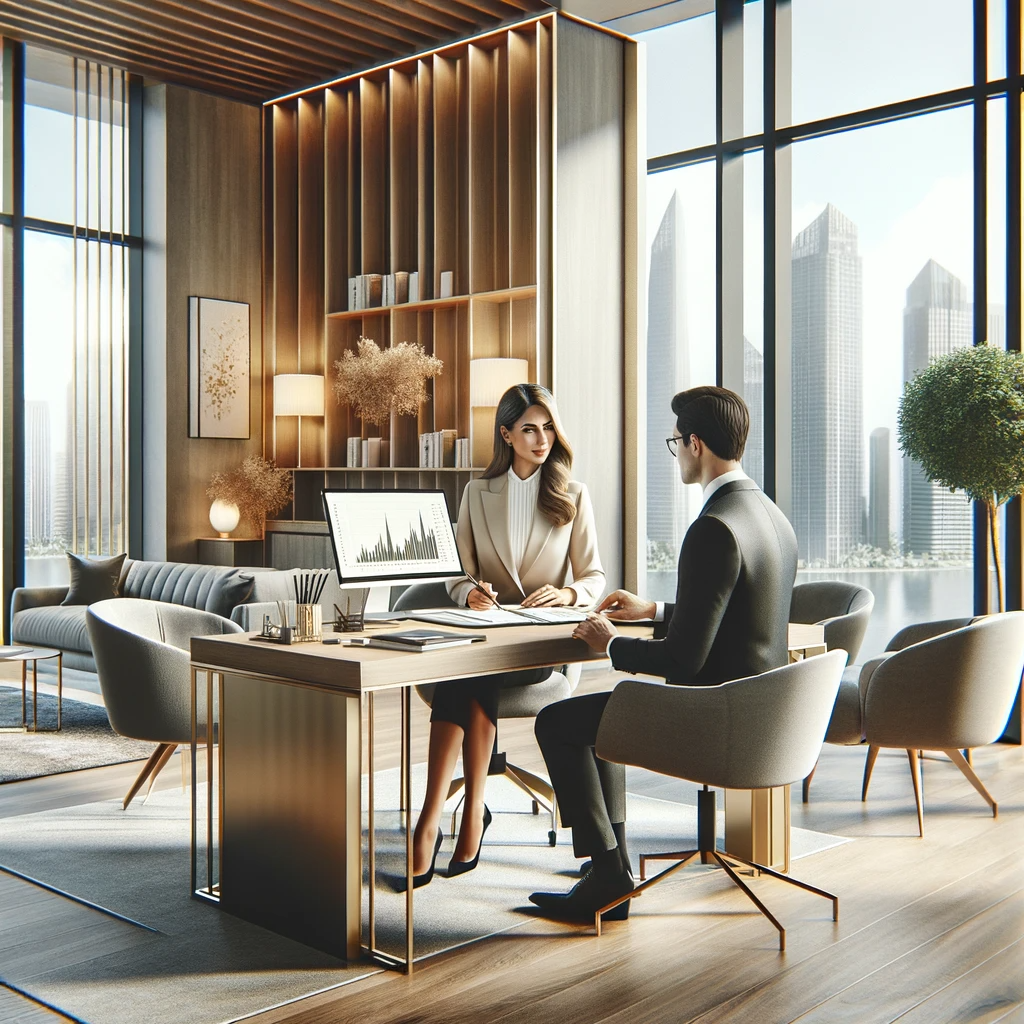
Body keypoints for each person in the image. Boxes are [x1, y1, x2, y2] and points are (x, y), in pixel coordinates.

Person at [528, 385, 798, 921]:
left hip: (715, 720)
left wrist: (611, 644)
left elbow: (683, 662)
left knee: (557, 721)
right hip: (764, 717)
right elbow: (735, 615)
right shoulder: (771, 517)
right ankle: (613, 868)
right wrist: (653, 611)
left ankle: (607, 877)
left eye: (676, 442)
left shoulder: (712, 528)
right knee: (613, 709)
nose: (676, 452)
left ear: (696, 444)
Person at [410, 383, 606, 886]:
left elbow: (594, 577)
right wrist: (469, 593)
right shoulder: (478, 493)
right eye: (529, 429)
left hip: (539, 646)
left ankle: (435, 819)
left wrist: (566, 596)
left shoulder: (575, 495)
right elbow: (457, 572)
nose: (542, 439)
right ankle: (461, 811)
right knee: (468, 671)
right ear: (506, 434)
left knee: (469, 675)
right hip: (486, 635)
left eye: (548, 428)